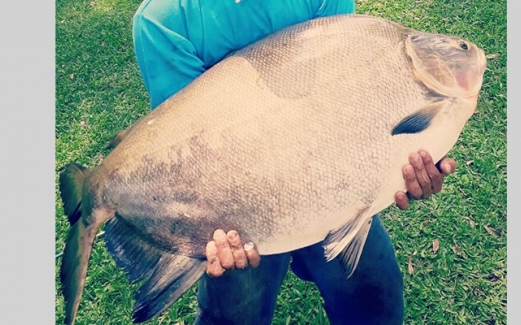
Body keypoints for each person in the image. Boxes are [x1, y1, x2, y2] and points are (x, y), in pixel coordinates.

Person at [132, 1, 457, 324]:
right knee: (234, 311)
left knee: (374, 295)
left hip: (327, 178)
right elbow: (188, 150)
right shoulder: (162, 22)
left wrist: (399, 162)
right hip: (237, 203)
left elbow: (348, 99)